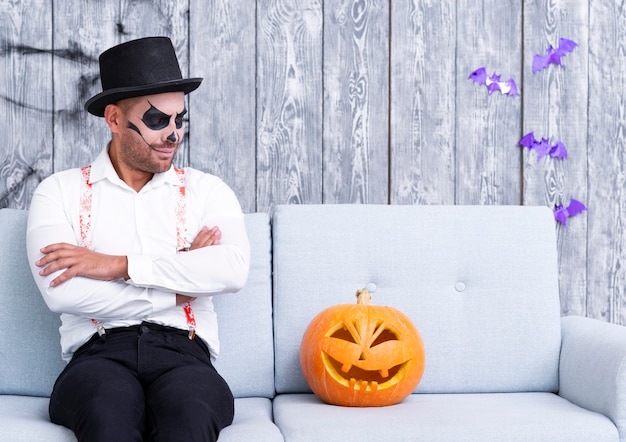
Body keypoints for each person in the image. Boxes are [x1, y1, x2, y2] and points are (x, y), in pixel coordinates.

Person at [26, 36, 250, 442]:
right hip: (97, 355)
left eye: (179, 119)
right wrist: (178, 286)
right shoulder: (58, 191)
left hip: (185, 354)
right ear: (113, 119)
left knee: (191, 416)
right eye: (157, 120)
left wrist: (117, 265)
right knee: (105, 416)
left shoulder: (207, 190)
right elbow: (63, 293)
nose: (173, 134)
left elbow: (231, 271)